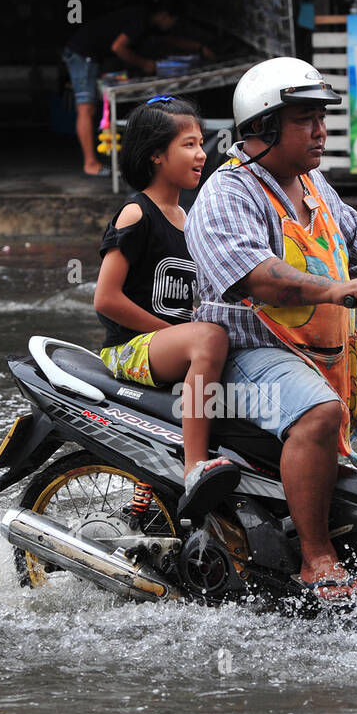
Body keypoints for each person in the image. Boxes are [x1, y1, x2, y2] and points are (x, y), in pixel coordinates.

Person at [185, 57, 357, 601]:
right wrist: (335, 289)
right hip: (253, 352)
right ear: (262, 128)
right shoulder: (228, 193)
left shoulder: (314, 185)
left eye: (322, 118)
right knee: (320, 413)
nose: (320, 131)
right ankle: (318, 560)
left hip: (333, 351)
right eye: (304, 120)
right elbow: (259, 278)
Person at [94, 95, 239, 520]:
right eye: (189, 145)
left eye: (201, 143)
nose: (201, 154)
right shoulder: (136, 214)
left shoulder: (190, 218)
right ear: (156, 155)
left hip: (178, 348)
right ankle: (194, 467)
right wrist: (165, 331)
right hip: (130, 350)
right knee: (210, 338)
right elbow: (106, 298)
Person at [61, 0, 216, 176]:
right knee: (86, 108)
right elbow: (118, 47)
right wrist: (144, 64)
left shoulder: (149, 23)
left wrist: (200, 48)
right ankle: (90, 163)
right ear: (165, 15)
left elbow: (169, 41)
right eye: (174, 21)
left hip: (93, 56)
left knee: (91, 109)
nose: (173, 26)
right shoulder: (139, 20)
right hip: (82, 54)